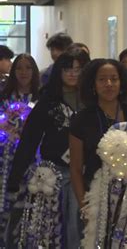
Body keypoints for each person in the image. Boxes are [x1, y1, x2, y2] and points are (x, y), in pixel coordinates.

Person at [6, 48, 90, 248]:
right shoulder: (48, 102)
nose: (72, 73)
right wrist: (15, 178)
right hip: (54, 176)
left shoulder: (91, 103)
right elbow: (29, 140)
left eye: (78, 69)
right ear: (59, 72)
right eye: (67, 69)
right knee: (54, 231)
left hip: (87, 174)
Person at [69, 59, 127, 210]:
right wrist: (83, 207)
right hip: (97, 199)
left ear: (122, 82)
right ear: (93, 84)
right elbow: (76, 169)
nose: (109, 84)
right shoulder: (81, 119)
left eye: (114, 79)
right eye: (102, 79)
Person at [0, 53, 40, 246]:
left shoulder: (42, 97)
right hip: (5, 159)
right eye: (19, 68)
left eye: (28, 68)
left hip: (33, 161)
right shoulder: (3, 97)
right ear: (13, 71)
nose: (24, 72)